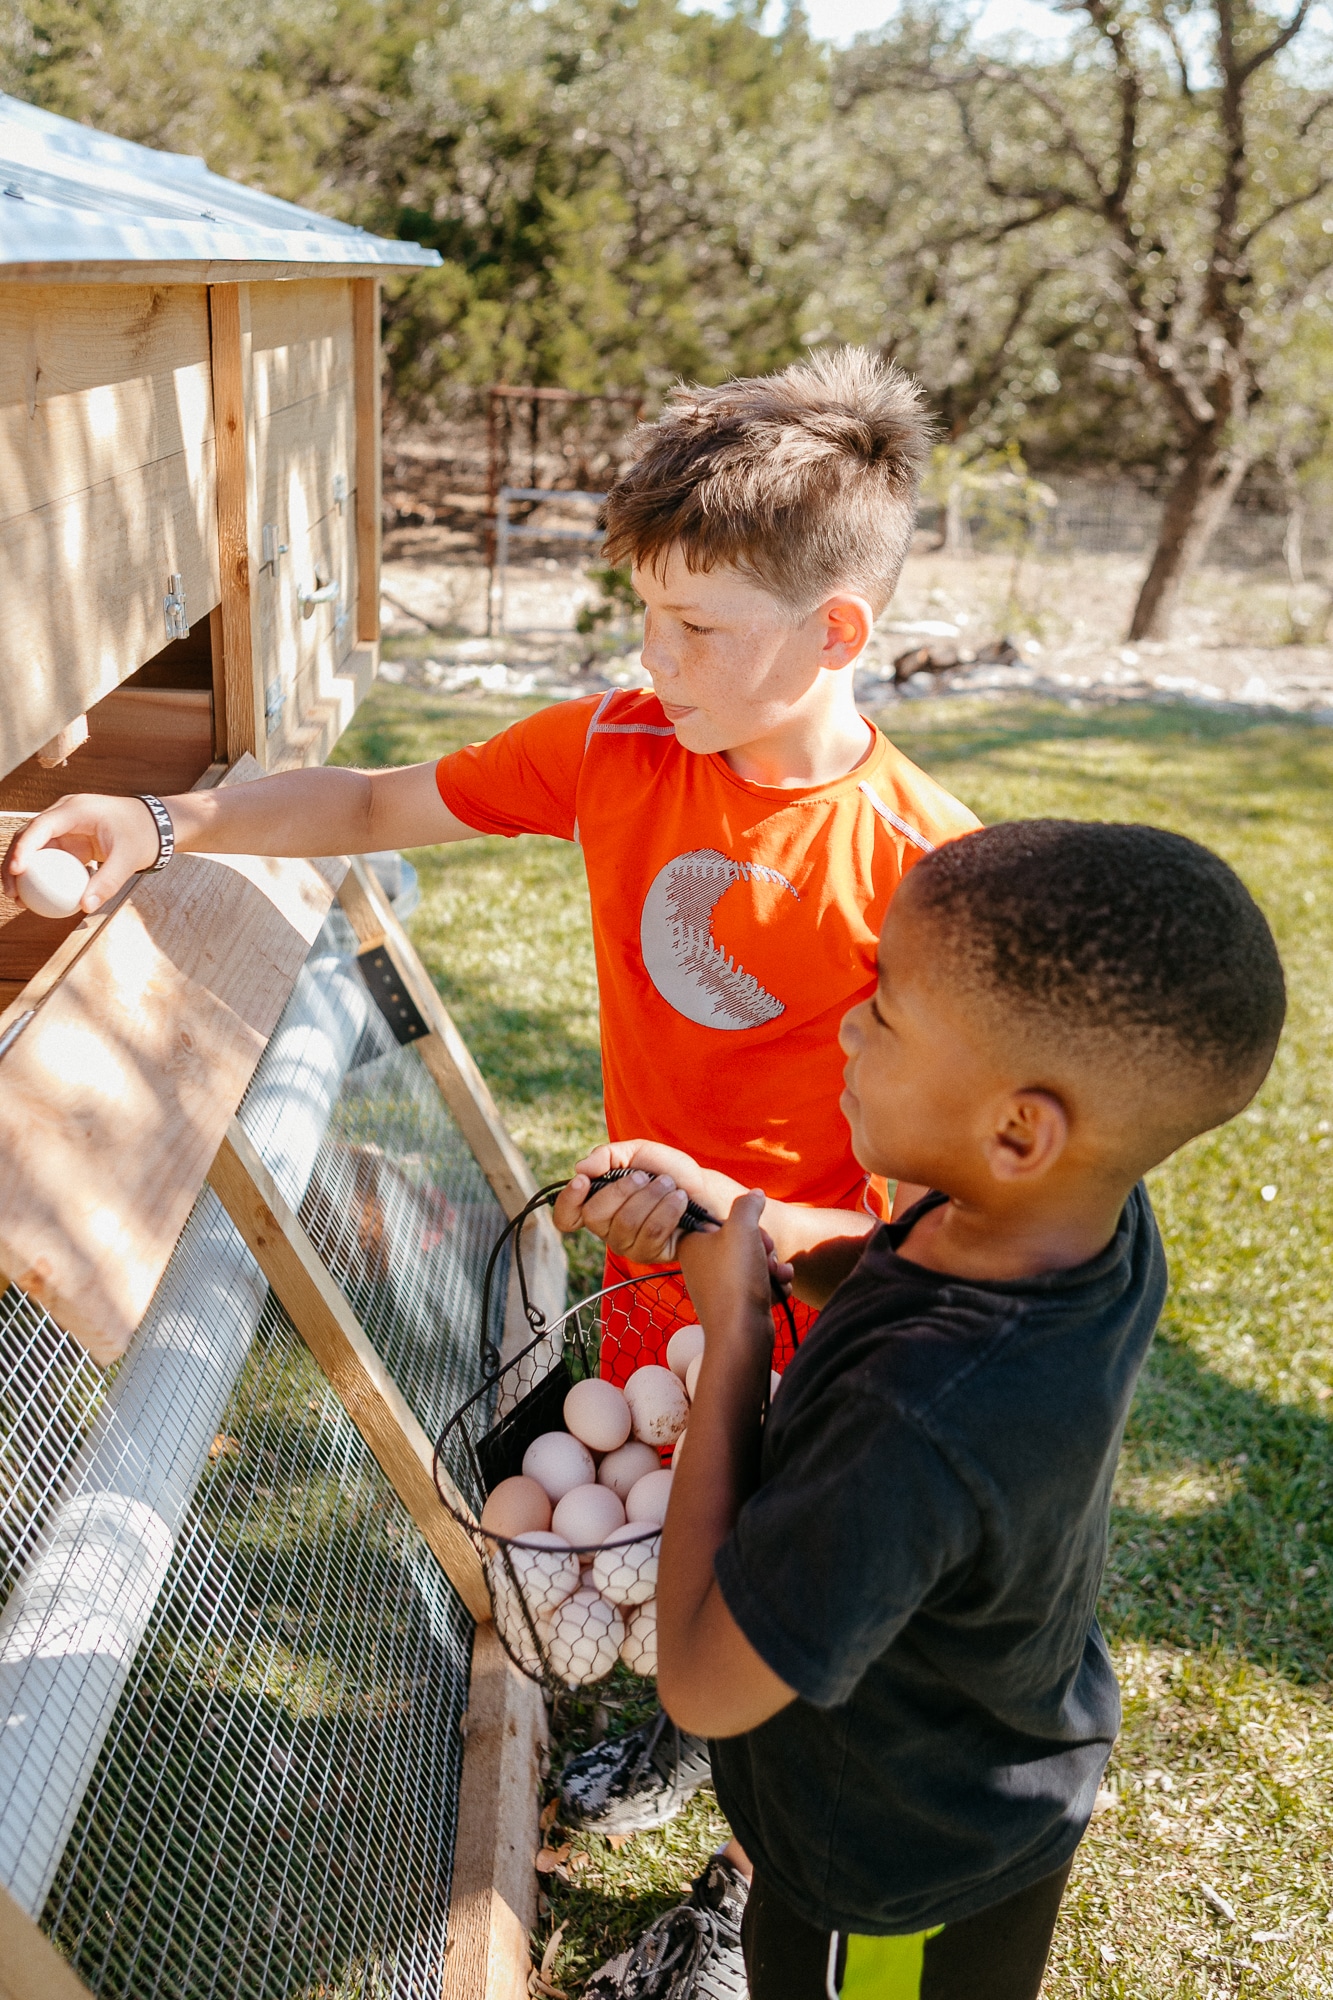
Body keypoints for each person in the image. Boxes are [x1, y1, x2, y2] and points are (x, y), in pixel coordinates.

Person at [2, 348, 979, 1838]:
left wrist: (746, 1230)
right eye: (644, 613)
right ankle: (676, 1742)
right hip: (652, 1284)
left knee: (797, 1631)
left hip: (814, 1313)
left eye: (698, 626)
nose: (654, 657)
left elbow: (956, 1217)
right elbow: (376, 802)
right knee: (671, 1562)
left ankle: (740, 1888)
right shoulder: (622, 746)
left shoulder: (925, 871)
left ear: (837, 627)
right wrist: (159, 819)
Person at [584, 819, 1284, 2000]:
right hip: (971, 1752)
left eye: (885, 1014)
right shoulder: (1069, 1224)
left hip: (893, 1857)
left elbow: (703, 1683)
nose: (846, 1027)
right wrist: (747, 1227)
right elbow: (891, 1254)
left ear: (1019, 1127)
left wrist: (737, 1343)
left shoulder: (919, 1418)